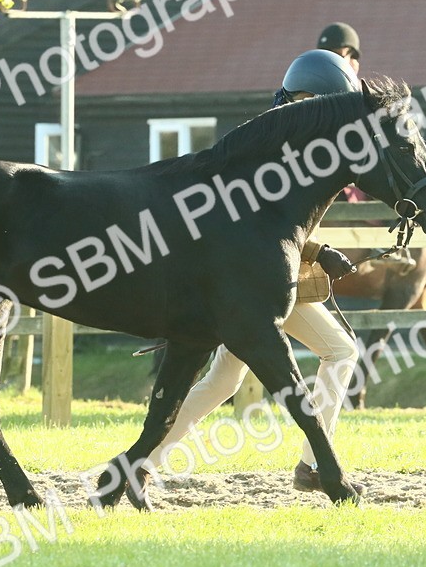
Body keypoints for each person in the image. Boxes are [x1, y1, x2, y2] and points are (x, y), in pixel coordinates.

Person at [143, 47, 363, 493]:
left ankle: (144, 462)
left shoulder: (275, 141)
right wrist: (318, 250)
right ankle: (314, 465)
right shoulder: (285, 152)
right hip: (257, 280)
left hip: (255, 277)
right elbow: (265, 225)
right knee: (339, 352)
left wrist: (315, 248)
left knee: (223, 378)